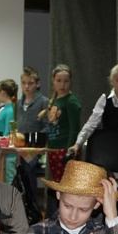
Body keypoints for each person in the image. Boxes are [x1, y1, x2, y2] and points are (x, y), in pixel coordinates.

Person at [40, 64, 82, 215]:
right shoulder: (55, 100)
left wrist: (69, 151)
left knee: (66, 187)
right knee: (58, 185)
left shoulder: (71, 101)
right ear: (53, 81)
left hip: (65, 150)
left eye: (66, 81)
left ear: (71, 81)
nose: (62, 85)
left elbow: (74, 129)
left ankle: (67, 215)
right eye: (59, 81)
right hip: (54, 149)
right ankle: (59, 215)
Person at [16, 66, 49, 205]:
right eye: (24, 83)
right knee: (15, 170)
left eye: (30, 83)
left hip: (35, 148)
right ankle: (19, 203)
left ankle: (32, 204)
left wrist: (34, 140)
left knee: (27, 166)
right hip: (19, 146)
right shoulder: (18, 103)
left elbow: (47, 126)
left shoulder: (43, 102)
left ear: (37, 84)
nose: (26, 86)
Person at [0, 79, 20, 184]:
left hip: (8, 153)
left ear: (2, 92)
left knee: (8, 181)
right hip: (3, 151)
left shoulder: (10, 110)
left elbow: (9, 132)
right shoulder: (6, 109)